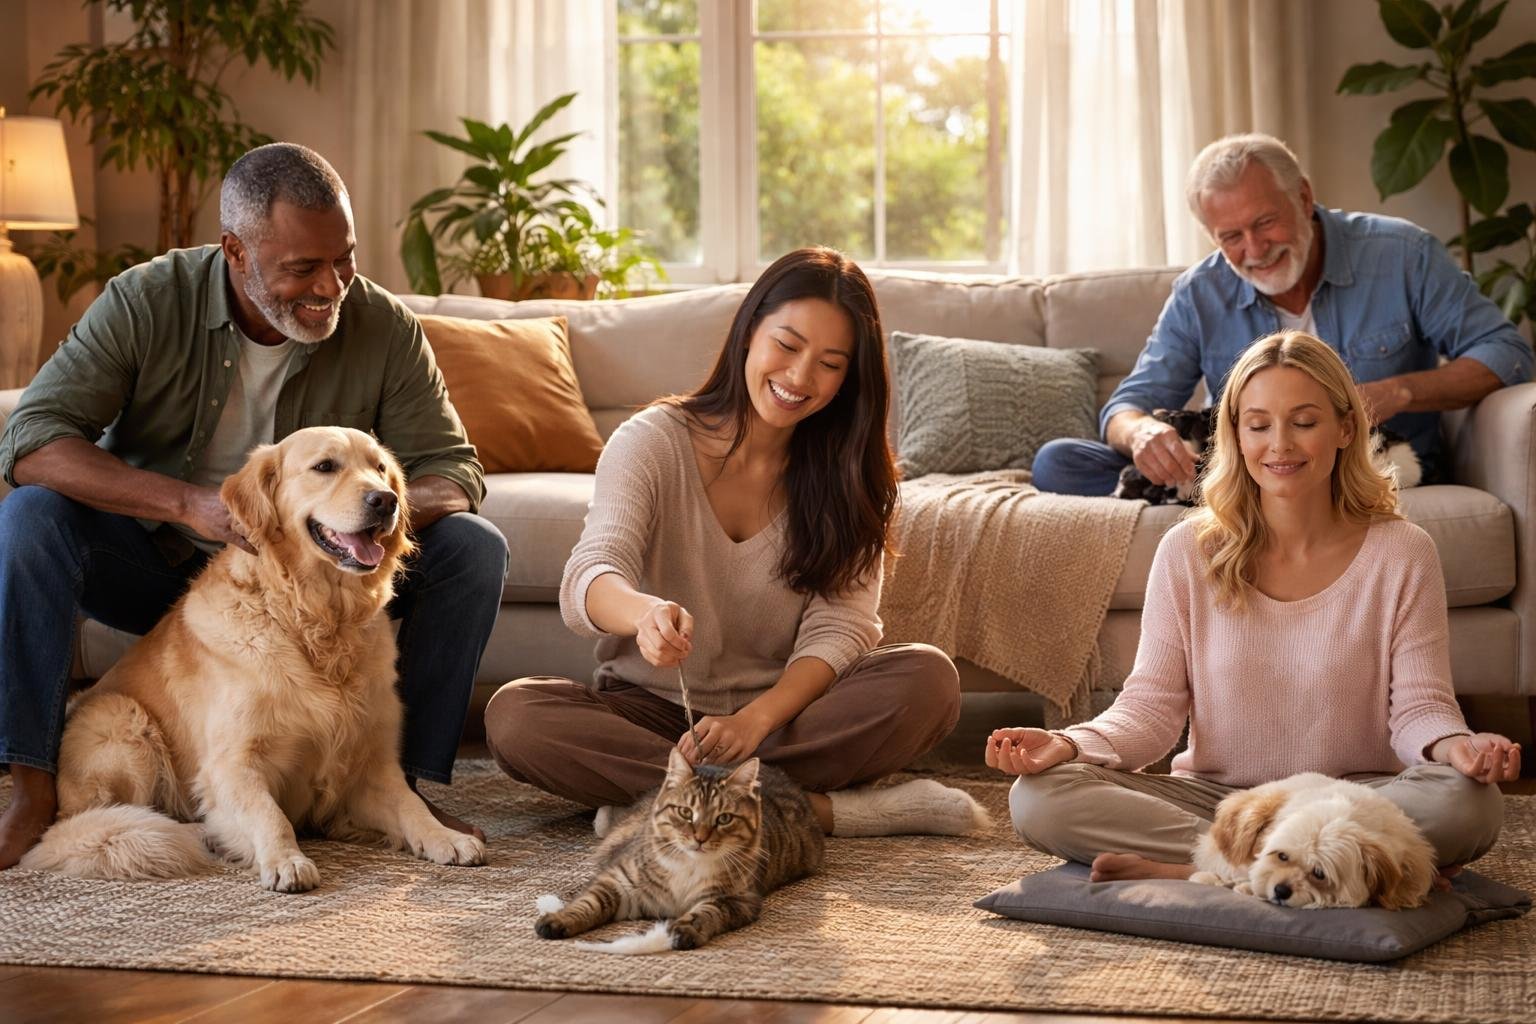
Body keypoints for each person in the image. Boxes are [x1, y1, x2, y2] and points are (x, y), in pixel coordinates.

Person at [0, 143, 508, 869]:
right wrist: (185, 504)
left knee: (474, 548)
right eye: (302, 268)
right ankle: (32, 788)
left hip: (304, 582)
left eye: (344, 259)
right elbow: (30, 441)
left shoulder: (383, 326)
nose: (331, 286)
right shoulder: (147, 301)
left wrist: (361, 522)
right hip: (157, 563)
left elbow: (454, 472)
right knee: (30, 519)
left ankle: (410, 782)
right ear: (235, 251)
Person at [485, 247, 981, 838]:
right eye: (788, 345)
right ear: (749, 332)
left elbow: (841, 628)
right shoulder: (651, 441)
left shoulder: (855, 477)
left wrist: (754, 721)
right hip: (650, 714)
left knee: (928, 679)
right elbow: (592, 573)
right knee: (516, 716)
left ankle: (662, 804)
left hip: (783, 718)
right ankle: (820, 812)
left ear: (850, 379)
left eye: (830, 364)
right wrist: (644, 615)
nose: (799, 378)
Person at [991, 330, 1521, 882]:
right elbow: (1149, 711)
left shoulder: (1403, 551)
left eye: (1304, 422)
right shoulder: (1187, 550)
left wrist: (1457, 746)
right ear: (1236, 436)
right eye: (1259, 424)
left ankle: (1202, 870)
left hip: (1352, 799)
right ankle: (1330, 869)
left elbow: (1419, 708)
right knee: (1040, 797)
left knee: (1469, 804)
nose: (1280, 445)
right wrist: (1066, 743)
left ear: (1346, 428)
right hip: (1222, 807)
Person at [1032, 133, 1532, 497]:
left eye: (1265, 222)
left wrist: (1398, 392)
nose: (1254, 250)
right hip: (1243, 475)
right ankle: (1224, 499)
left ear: (1304, 197)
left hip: (1366, 471)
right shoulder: (1199, 293)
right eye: (1231, 237)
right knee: (1058, 462)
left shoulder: (1401, 254)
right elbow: (1127, 406)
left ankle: (1223, 504)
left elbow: (1508, 355)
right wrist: (1142, 433)